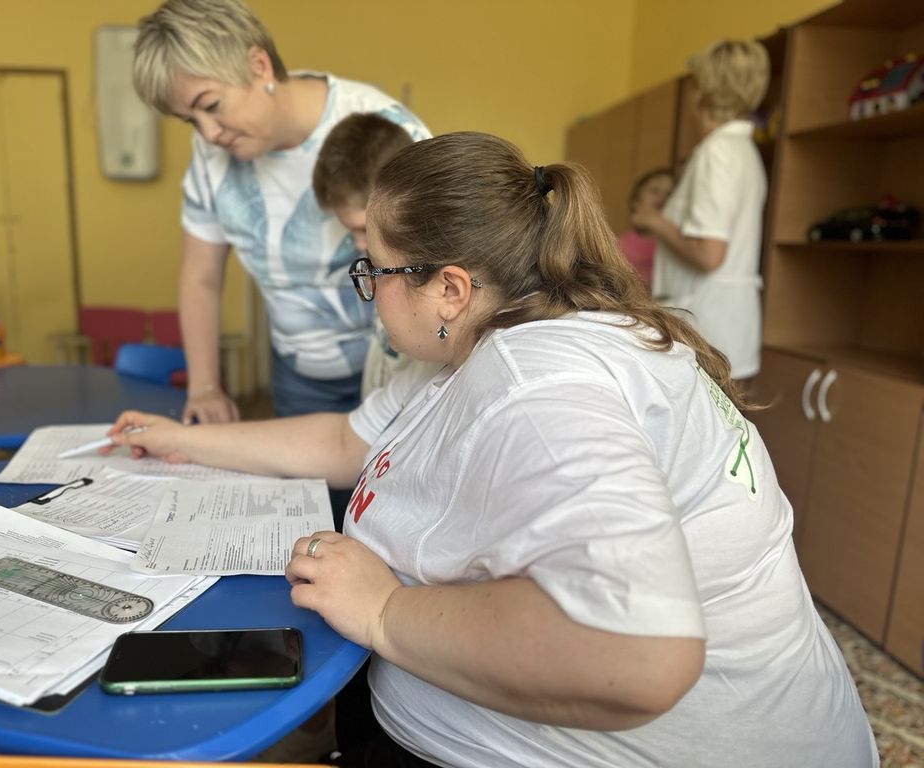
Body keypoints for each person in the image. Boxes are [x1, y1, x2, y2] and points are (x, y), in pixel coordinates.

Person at [106, 132, 878, 767]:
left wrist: (385, 610)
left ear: (449, 288)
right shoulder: (493, 334)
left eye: (373, 268)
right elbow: (345, 440)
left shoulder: (540, 383)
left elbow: (642, 656)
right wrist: (183, 439)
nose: (366, 289)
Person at [133, 0, 430, 423]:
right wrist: (204, 388)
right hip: (298, 375)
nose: (208, 133)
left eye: (211, 105)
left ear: (259, 66)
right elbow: (201, 276)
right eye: (190, 120)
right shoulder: (211, 153)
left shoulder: (387, 129)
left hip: (398, 366)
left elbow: (435, 264)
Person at [632, 39, 768, 380]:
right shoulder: (742, 150)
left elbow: (709, 254)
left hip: (707, 321)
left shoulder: (717, 152)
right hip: (724, 320)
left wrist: (655, 221)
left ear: (701, 90)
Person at [312, 112, 432, 398]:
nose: (358, 244)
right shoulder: (387, 274)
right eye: (350, 231)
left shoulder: (432, 303)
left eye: (364, 229)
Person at [617, 167, 674, 288]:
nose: (662, 197)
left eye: (669, 194)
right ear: (635, 202)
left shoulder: (678, 245)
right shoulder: (622, 245)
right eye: (654, 191)